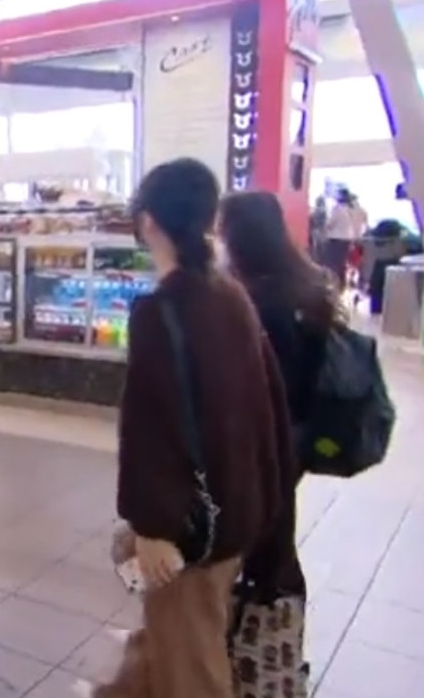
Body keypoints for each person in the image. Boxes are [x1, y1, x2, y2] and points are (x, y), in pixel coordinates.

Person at [94, 159, 294, 698]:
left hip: (190, 526)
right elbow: (267, 409)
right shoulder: (230, 295)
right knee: (173, 636)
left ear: (149, 222)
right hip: (238, 509)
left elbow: (150, 431)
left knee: (193, 663)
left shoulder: (163, 311)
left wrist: (151, 528)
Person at [219, 191, 332, 607]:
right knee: (277, 538)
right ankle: (280, 646)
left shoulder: (258, 302)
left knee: (261, 548)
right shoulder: (307, 286)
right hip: (299, 433)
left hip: (264, 439)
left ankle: (264, 650)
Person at [320, 188, 367, 292]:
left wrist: (323, 230)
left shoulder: (337, 209)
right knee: (343, 263)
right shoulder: (349, 210)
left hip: (336, 239)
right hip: (348, 238)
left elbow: (330, 224)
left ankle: (334, 284)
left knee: (333, 263)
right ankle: (343, 284)